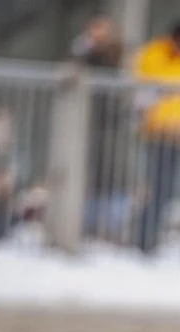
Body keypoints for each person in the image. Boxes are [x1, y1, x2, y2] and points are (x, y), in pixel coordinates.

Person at [131, 21, 180, 254]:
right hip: (158, 130)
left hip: (178, 132)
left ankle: (152, 235)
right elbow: (145, 89)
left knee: (167, 188)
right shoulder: (155, 54)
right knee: (156, 186)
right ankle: (142, 237)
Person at [72, 15, 134, 240]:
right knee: (87, 171)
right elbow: (75, 66)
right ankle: (86, 224)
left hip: (112, 122)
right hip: (87, 120)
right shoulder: (85, 53)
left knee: (113, 172)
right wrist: (86, 47)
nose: (99, 35)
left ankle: (111, 227)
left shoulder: (116, 54)